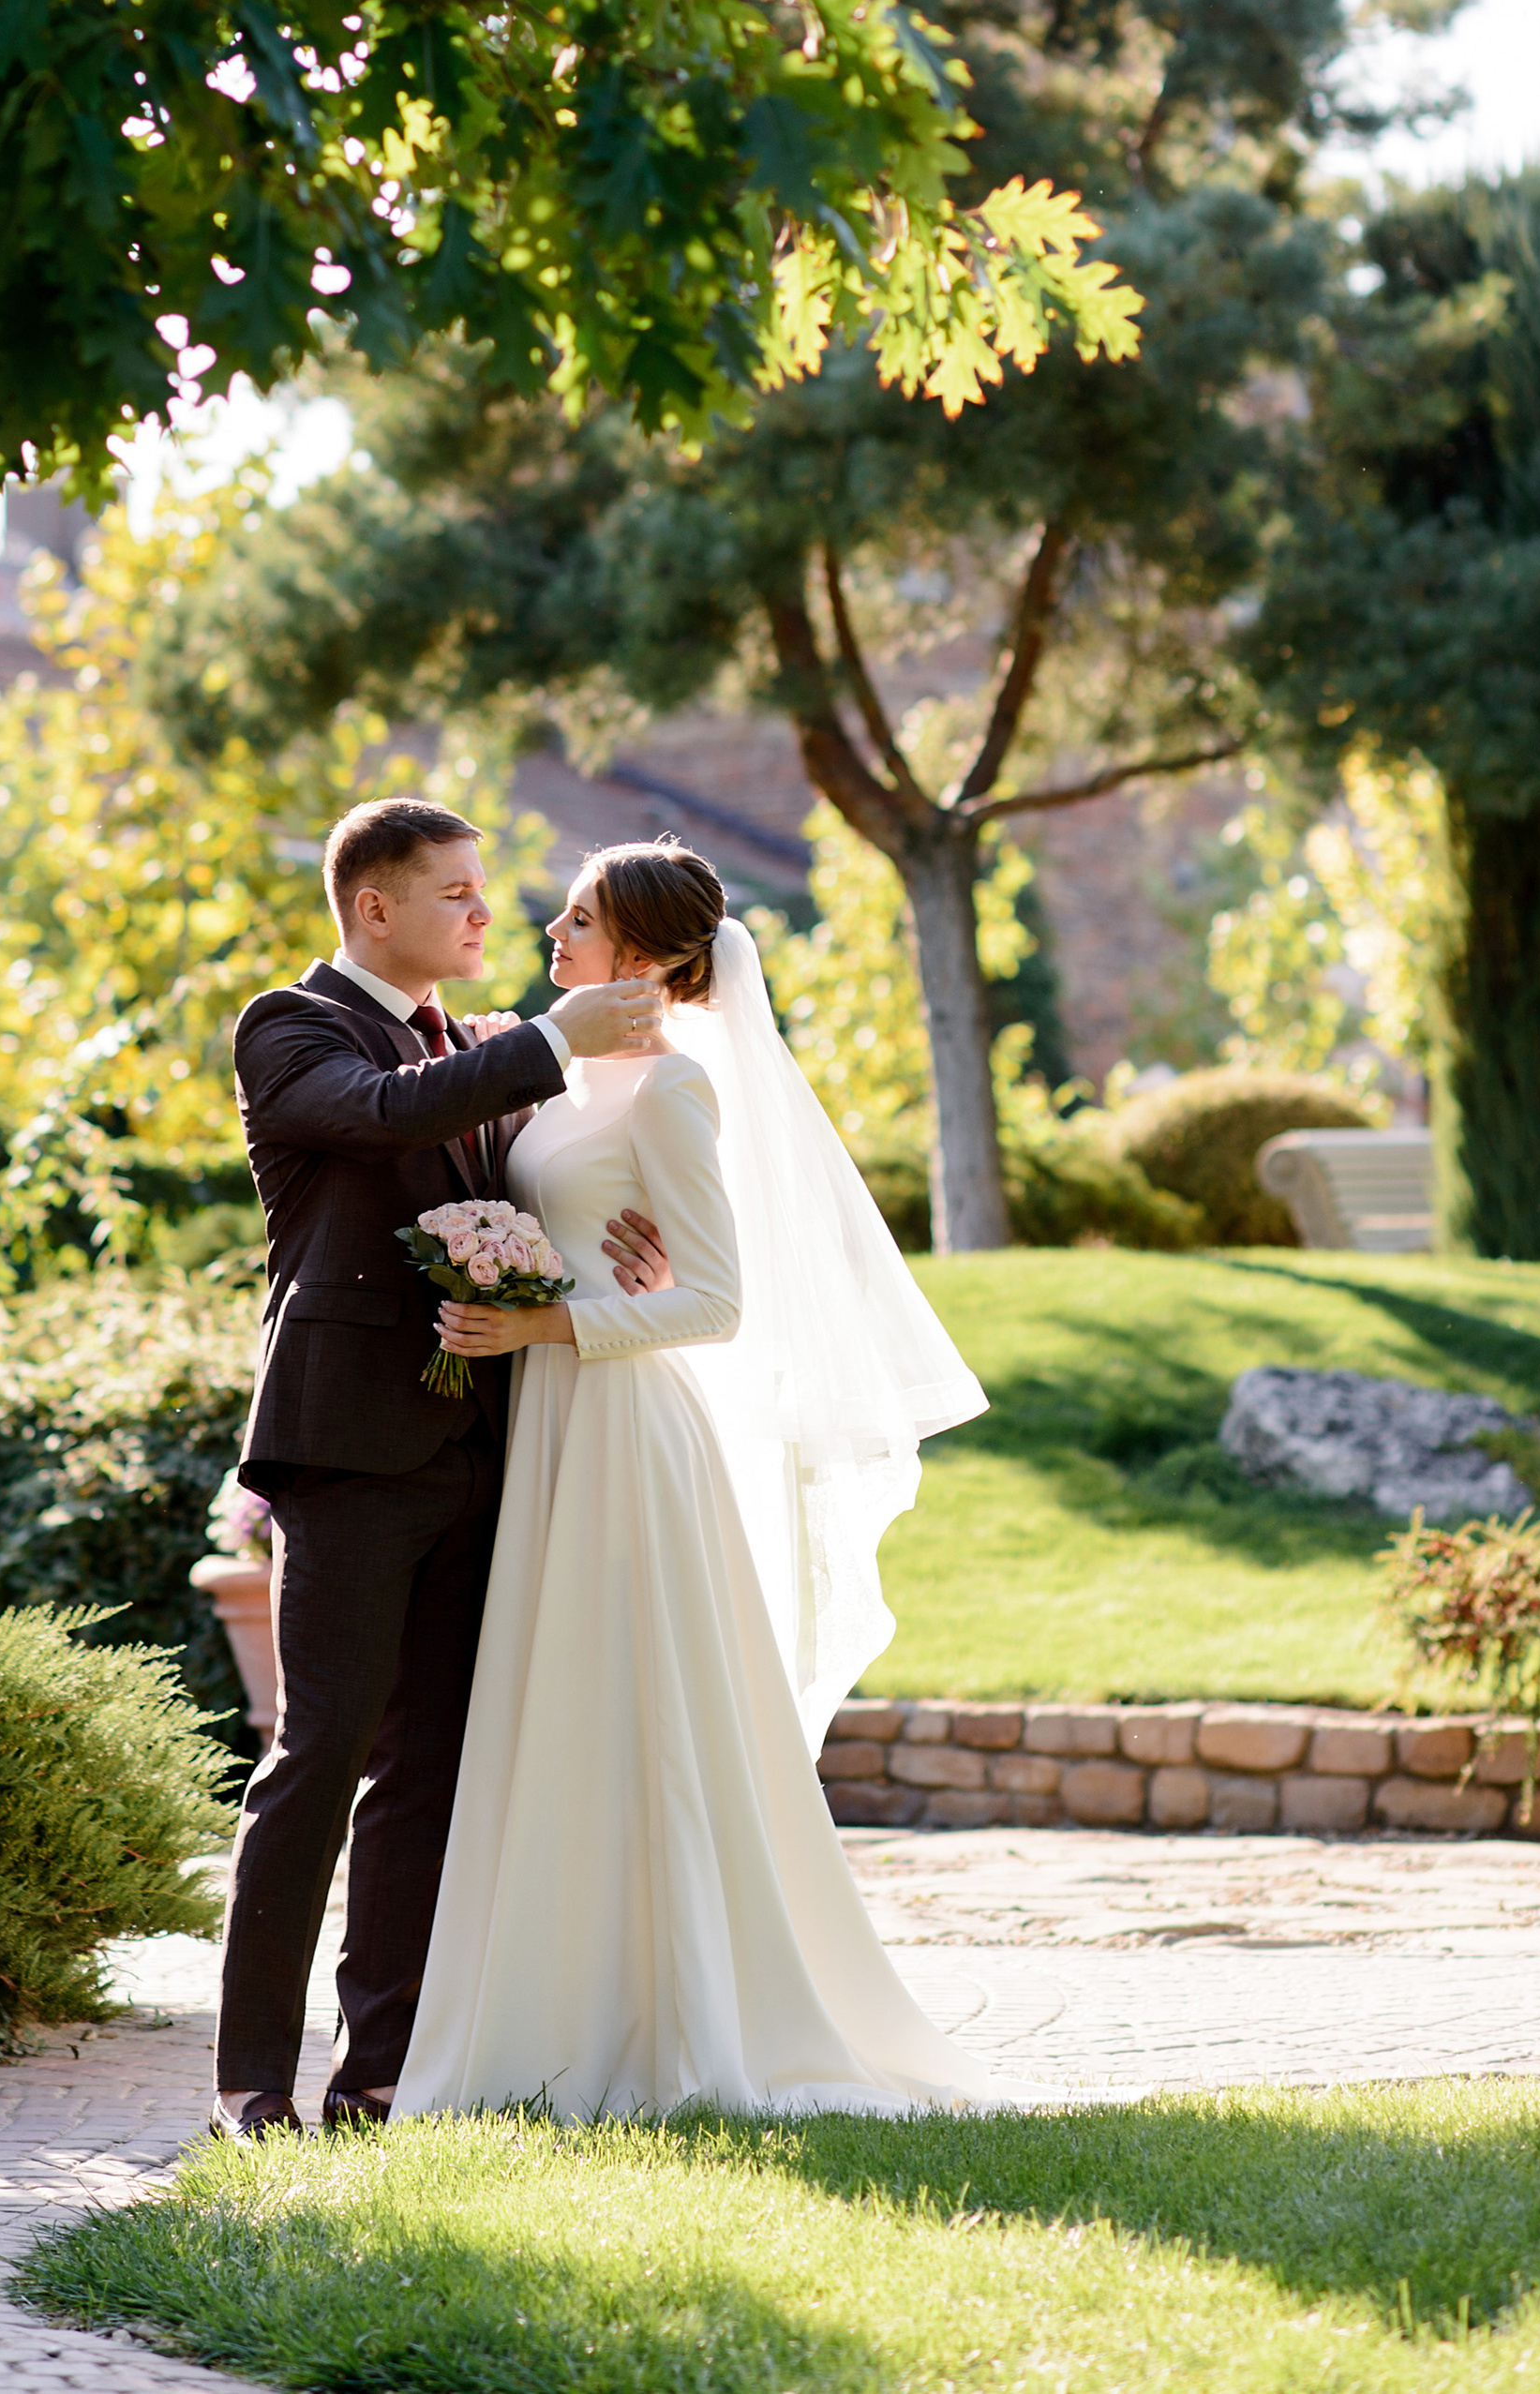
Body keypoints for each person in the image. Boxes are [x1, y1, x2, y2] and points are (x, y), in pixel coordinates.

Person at [394, 838, 994, 2120]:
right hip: (550, 1425)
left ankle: (683, 2024)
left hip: (622, 1433)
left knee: (635, 1716)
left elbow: (717, 1302)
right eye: (558, 915)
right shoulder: (557, 1077)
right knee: (557, 1714)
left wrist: (547, 1324)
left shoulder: (670, 1091)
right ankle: (550, 2012)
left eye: (581, 921)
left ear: (656, 960)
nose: (553, 934)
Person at [216, 797, 669, 2140]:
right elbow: (374, 1117)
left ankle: (381, 2079)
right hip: (348, 1458)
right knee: (318, 1757)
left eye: (486, 892)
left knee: (431, 1776)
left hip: (488, 1446)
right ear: (375, 908)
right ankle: (252, 2086)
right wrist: (549, 1039)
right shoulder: (290, 1029)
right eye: (460, 893)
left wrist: (616, 1261)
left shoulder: (473, 1049)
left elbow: (517, 1206)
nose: (486, 914)